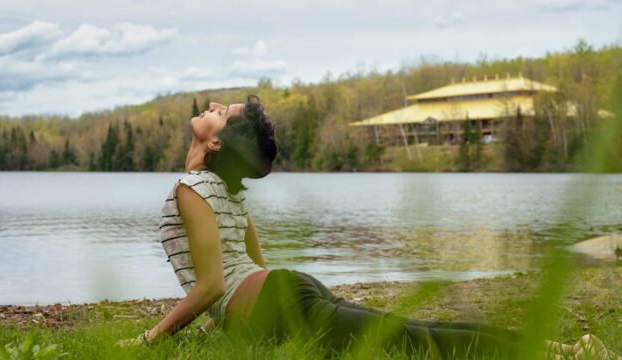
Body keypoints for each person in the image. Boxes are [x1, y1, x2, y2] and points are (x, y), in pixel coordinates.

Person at [118, 95, 619, 359]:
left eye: (220, 113)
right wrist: (222, 322)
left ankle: (565, 354)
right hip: (284, 292)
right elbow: (245, 269)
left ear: (219, 145)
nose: (211, 107)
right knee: (420, 334)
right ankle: (566, 351)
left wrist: (151, 339)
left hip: (282, 301)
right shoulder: (223, 192)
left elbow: (213, 284)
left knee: (420, 340)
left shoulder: (193, 189)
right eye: (219, 108)